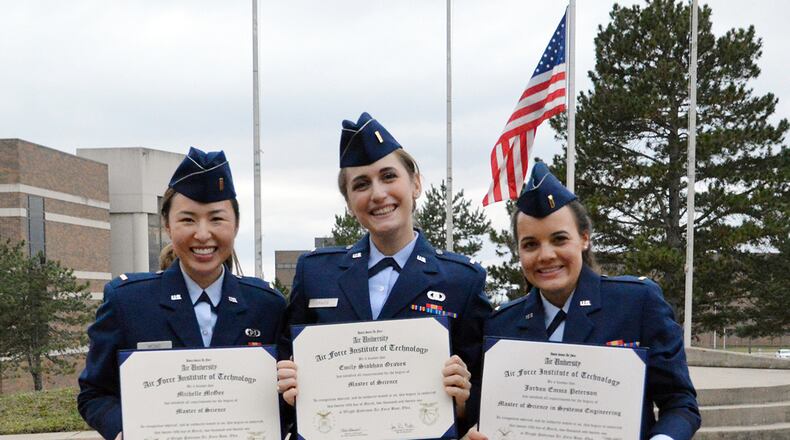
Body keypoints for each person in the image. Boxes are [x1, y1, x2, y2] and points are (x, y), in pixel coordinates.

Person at [277, 112, 492, 433]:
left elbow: (485, 396)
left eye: (389, 176)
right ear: (349, 203)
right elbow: (282, 377)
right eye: (361, 184)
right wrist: (288, 388)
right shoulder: (315, 274)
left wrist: (462, 402)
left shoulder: (462, 281)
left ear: (416, 183)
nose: (377, 194)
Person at [465, 162, 700, 440]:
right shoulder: (502, 324)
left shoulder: (637, 303)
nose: (546, 255)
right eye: (530, 244)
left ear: (584, 239)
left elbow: (680, 403)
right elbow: (490, 413)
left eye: (559, 239)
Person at [78, 147, 286, 440]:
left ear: (236, 225)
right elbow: (95, 393)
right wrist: (125, 429)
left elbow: (281, 404)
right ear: (167, 225)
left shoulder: (267, 306)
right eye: (188, 220)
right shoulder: (128, 302)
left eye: (216, 219)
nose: (202, 234)